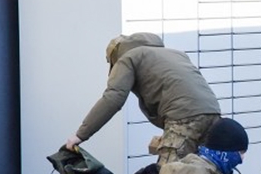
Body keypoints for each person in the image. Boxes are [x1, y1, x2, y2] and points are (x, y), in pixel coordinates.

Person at [65, 32, 221, 166]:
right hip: (214, 114)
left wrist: (80, 135)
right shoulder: (175, 53)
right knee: (208, 172)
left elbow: (113, 98)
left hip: (183, 117)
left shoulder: (128, 58)